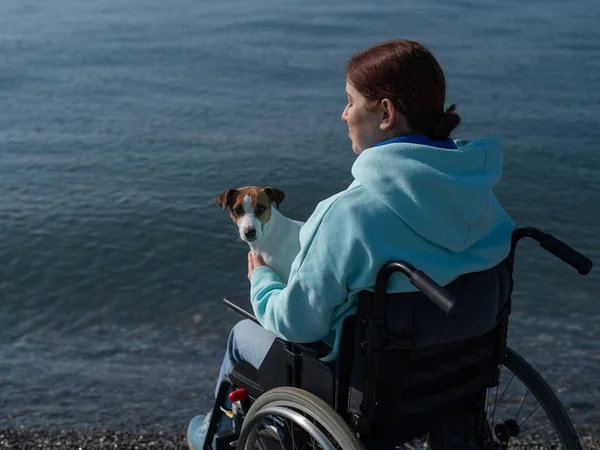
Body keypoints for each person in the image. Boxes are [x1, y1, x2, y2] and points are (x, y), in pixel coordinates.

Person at [187, 39, 514, 449]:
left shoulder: (348, 213)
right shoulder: (481, 195)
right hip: (461, 372)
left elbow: (295, 323)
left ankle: (209, 437)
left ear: (385, 113)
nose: (343, 115)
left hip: (372, 385)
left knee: (241, 333)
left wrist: (263, 281)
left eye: (349, 102)